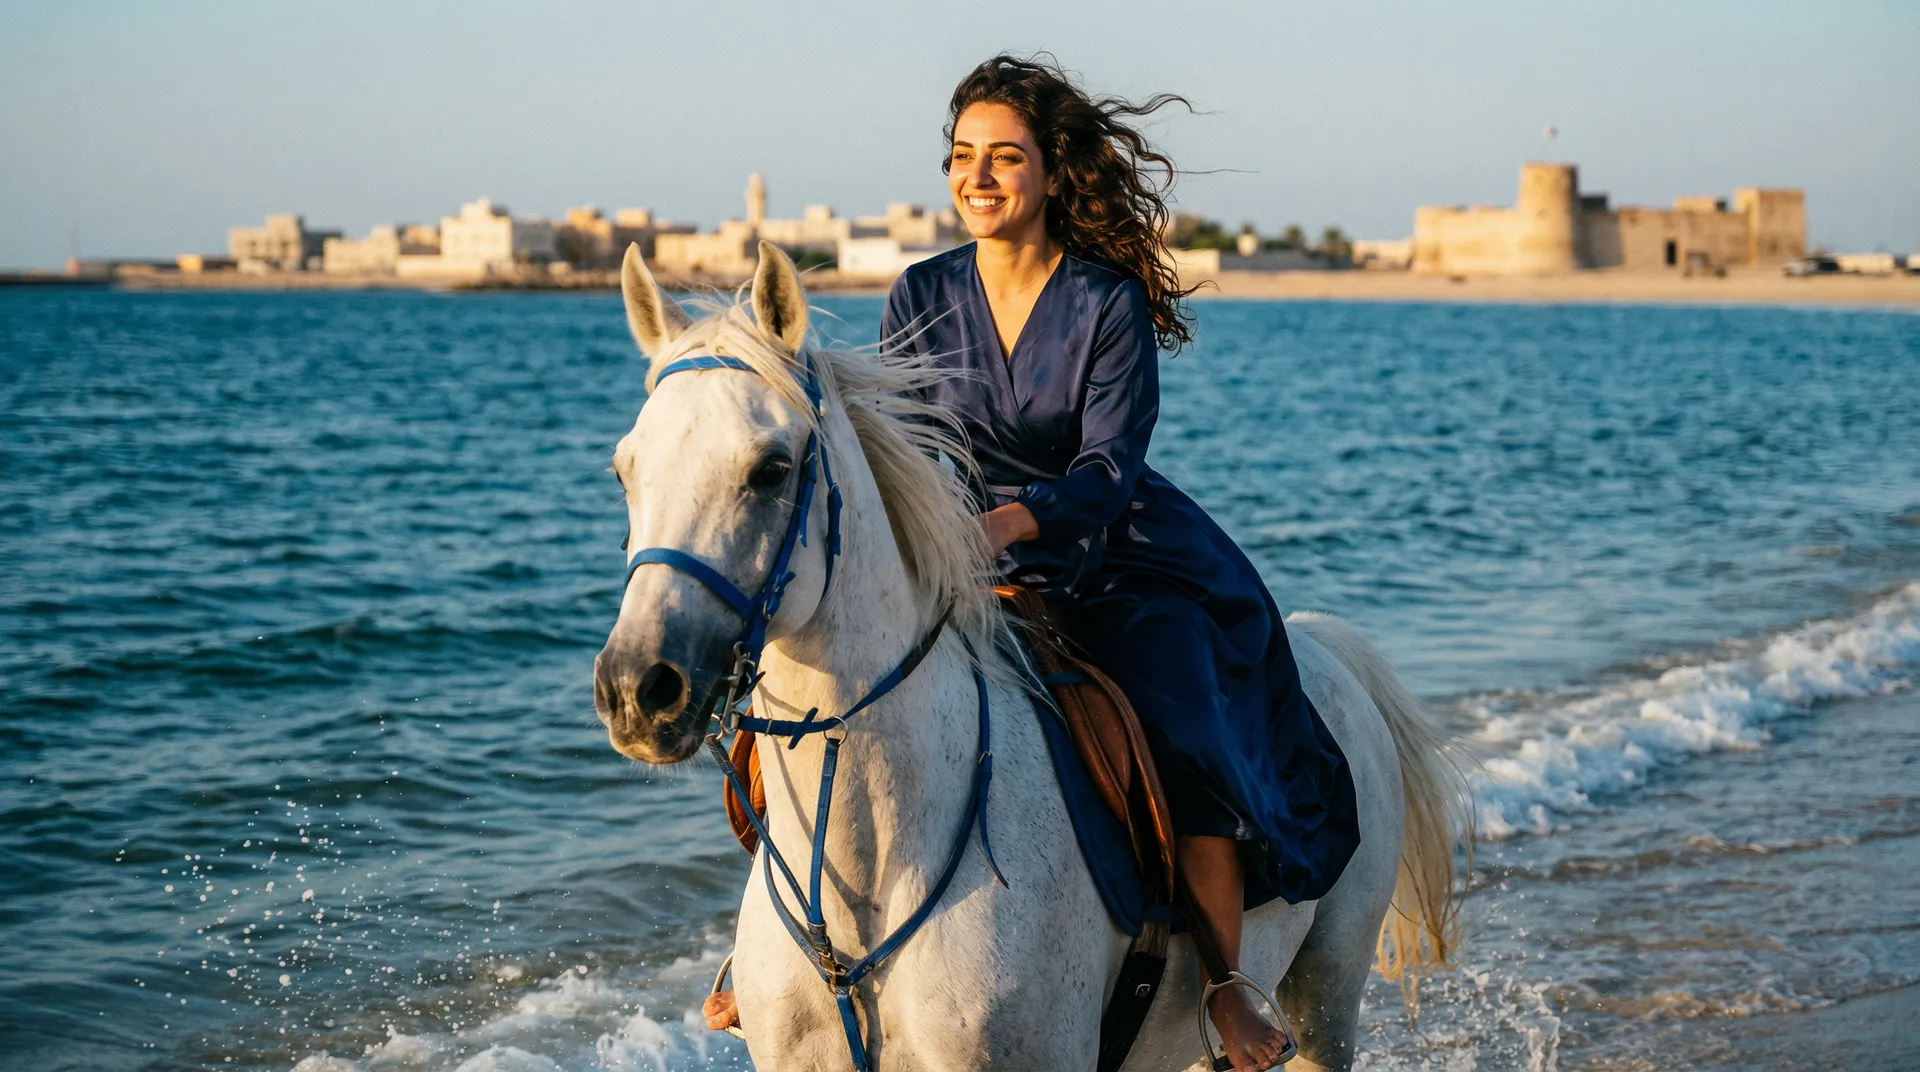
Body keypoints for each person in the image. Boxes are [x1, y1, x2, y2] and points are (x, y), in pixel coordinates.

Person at [880, 56, 1362, 1071]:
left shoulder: (1107, 301)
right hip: (958, 547)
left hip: (1107, 548)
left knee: (1178, 704)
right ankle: (787, 944)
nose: (977, 176)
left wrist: (1009, 525)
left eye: (1004, 156)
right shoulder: (920, 294)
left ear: (1053, 172)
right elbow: (900, 452)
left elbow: (1107, 467)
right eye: (962, 156)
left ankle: (1226, 982)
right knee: (830, 680)